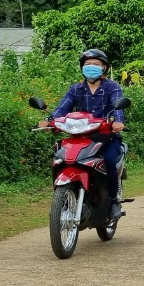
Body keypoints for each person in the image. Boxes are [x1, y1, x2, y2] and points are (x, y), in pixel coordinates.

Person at [40, 49, 127, 219]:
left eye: (96, 64)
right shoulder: (76, 89)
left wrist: (117, 121)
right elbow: (62, 109)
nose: (91, 67)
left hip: (106, 137)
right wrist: (50, 121)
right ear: (82, 68)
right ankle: (63, 196)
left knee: (109, 160)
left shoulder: (112, 87)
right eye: (87, 65)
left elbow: (119, 108)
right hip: (80, 137)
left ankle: (113, 200)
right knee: (60, 157)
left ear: (104, 68)